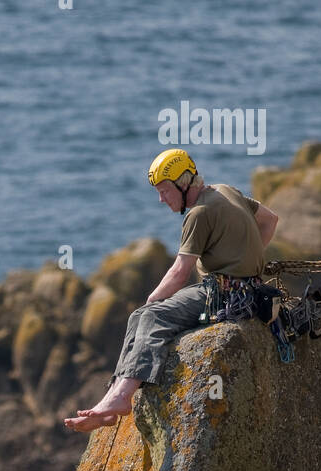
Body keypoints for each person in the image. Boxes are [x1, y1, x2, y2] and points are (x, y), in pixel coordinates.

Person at [64, 149, 279, 432]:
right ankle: (112, 398)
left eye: (165, 190)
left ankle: (121, 397)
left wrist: (151, 302)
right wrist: (246, 257)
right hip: (251, 292)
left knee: (150, 316)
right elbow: (270, 219)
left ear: (184, 183)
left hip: (223, 295)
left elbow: (179, 271)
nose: (161, 198)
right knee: (138, 318)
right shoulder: (227, 191)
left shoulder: (199, 214)